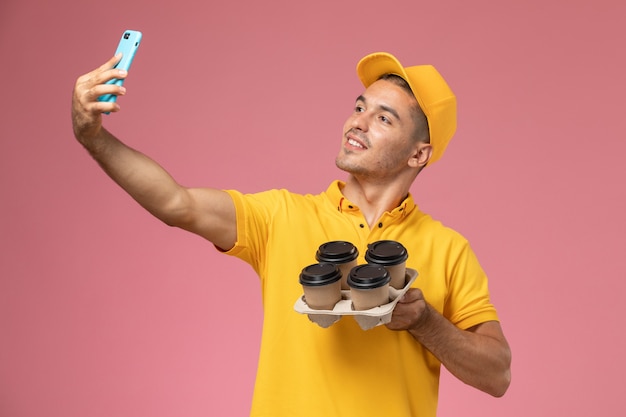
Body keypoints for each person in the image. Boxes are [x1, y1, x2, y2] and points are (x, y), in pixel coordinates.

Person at [72, 51, 511, 416]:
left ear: (420, 153)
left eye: (383, 118)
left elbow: (497, 375)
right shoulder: (282, 216)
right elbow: (175, 202)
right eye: (359, 107)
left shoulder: (448, 248)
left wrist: (427, 322)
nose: (357, 122)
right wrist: (93, 137)